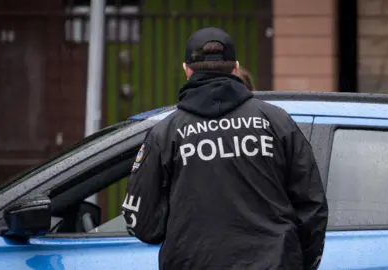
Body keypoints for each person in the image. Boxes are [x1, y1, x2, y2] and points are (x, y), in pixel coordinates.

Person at [121, 27, 328, 270]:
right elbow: (312, 205)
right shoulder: (277, 122)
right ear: (236, 68)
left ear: (186, 70)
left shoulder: (166, 134)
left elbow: (141, 222)